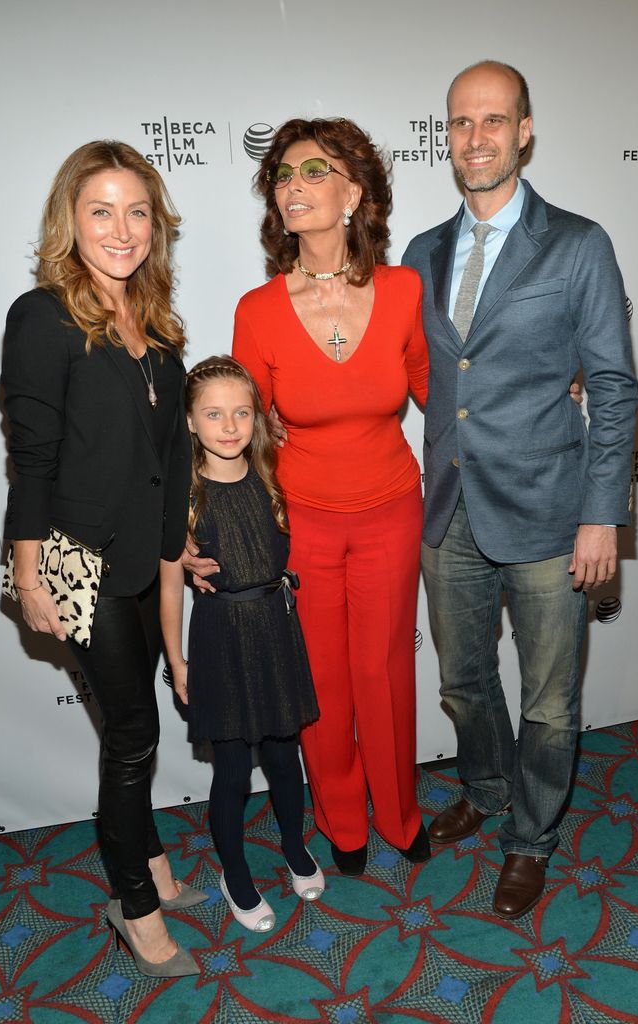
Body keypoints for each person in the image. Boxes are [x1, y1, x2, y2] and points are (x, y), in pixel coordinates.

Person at [402, 61, 638, 919]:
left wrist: (600, 514)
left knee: (547, 701)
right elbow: (432, 375)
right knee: (464, 684)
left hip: (548, 511)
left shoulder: (578, 244)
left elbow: (611, 387)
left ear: (524, 130)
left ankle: (529, 837)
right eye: (460, 122)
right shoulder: (420, 252)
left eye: (492, 121)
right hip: (448, 512)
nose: (474, 138)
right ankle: (488, 789)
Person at [1, 140, 205, 979]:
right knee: (132, 734)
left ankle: (149, 862)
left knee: (130, 730)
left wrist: (179, 541)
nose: (121, 229)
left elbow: (165, 456)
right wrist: (28, 572)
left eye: (137, 211)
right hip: (74, 562)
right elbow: (33, 458)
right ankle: (135, 903)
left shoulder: (156, 328)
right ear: (69, 221)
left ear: (155, 225)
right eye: (101, 210)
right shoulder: (43, 315)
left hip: (141, 564)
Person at [227, 117, 431, 875]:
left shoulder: (406, 290)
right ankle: (343, 824)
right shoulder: (259, 309)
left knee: (385, 670)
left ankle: (400, 813)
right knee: (322, 679)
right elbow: (248, 434)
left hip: (389, 510)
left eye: (313, 171)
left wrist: (544, 385)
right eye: (281, 175)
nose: (292, 186)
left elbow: (439, 393)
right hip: (303, 520)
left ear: (354, 194)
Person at [160, 356, 323, 933]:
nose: (229, 426)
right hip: (220, 638)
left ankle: (294, 846)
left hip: (276, 629)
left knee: (284, 757)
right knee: (231, 771)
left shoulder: (273, 473)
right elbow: (170, 586)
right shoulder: (182, 492)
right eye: (213, 414)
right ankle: (234, 871)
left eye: (241, 412)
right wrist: (176, 658)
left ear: (257, 418)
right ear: (189, 422)